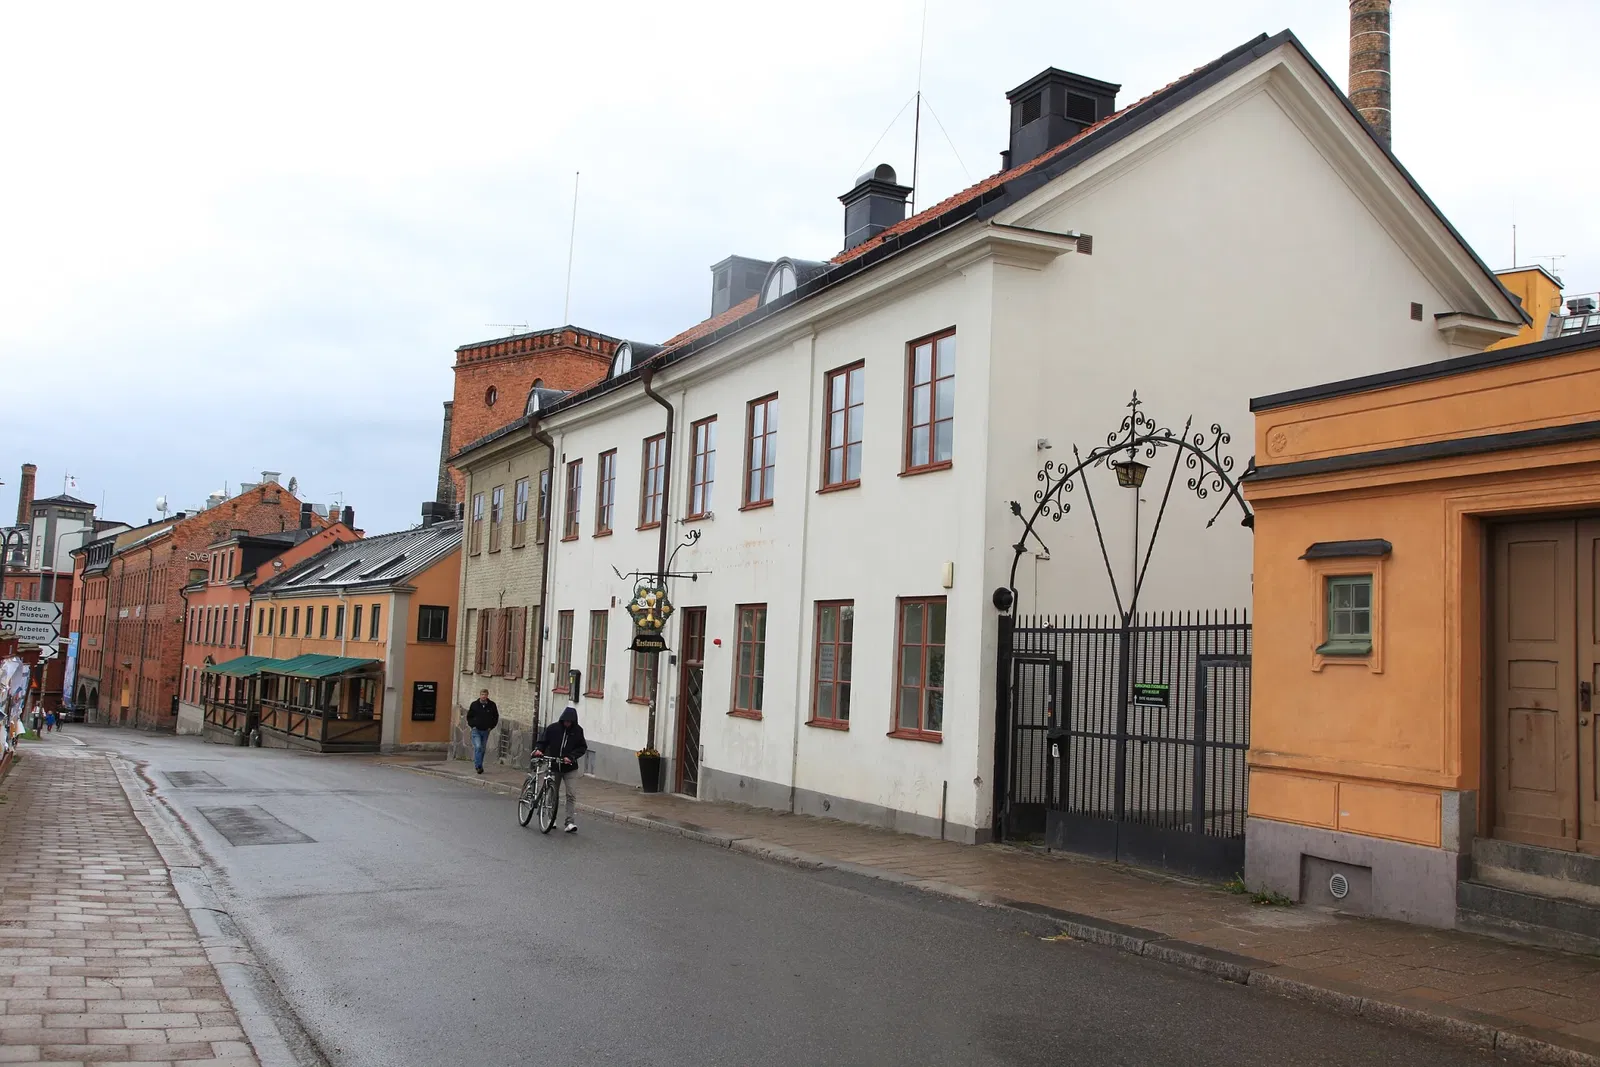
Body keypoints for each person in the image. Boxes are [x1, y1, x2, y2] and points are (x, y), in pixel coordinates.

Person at [532, 705, 588, 833]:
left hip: (570, 767)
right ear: (562, 720)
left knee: (571, 794)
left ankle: (570, 822)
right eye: (565, 721)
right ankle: (551, 819)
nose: (567, 723)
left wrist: (571, 757)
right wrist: (539, 749)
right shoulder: (553, 729)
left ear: (574, 722)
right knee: (553, 792)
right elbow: (543, 741)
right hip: (554, 765)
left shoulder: (578, 731)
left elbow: (582, 747)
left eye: (570, 722)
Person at [465, 689, 499, 774]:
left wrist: (491, 727)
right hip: (476, 730)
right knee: (478, 747)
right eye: (482, 694)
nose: (484, 696)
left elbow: (495, 717)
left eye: (485, 695)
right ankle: (478, 766)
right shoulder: (474, 705)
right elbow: (469, 716)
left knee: (483, 749)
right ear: (480, 695)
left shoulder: (492, 705)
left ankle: (480, 764)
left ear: (487, 695)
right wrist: (473, 725)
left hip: (486, 730)